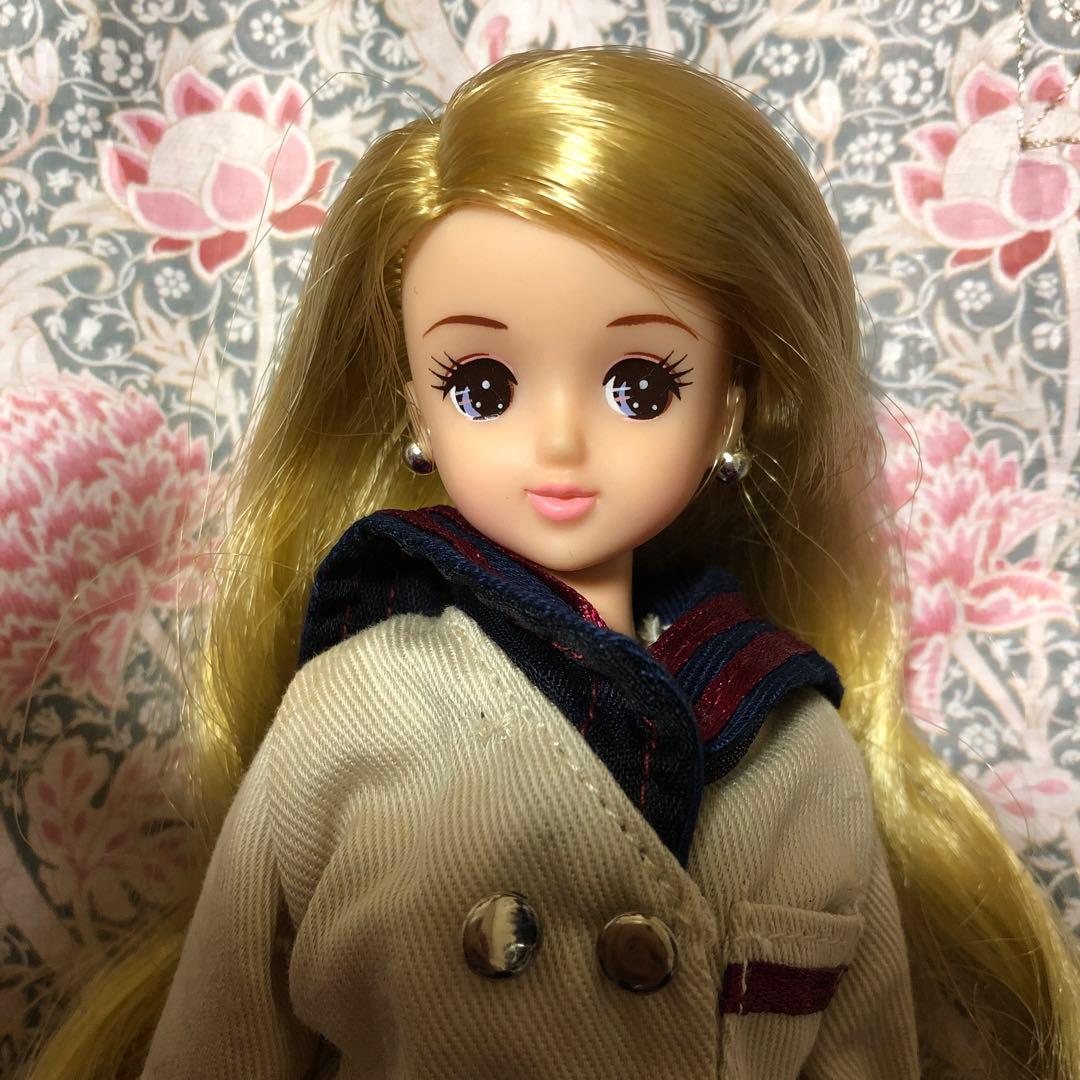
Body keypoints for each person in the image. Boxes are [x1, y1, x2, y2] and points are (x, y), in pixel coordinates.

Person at [26, 45, 1080, 1079]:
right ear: (418, 411)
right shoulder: (355, 715)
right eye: (483, 386)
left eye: (641, 385)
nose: (563, 442)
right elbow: (225, 1032)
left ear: (732, 406)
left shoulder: (797, 749)